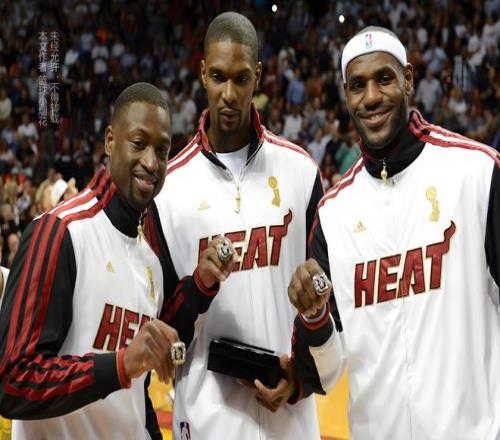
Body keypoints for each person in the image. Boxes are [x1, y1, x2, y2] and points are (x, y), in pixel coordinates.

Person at [287, 26, 500, 439]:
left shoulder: (476, 173)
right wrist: (314, 316)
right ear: (346, 96)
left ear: (408, 79)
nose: (371, 97)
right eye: (358, 86)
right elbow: (325, 374)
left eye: (384, 79)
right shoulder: (333, 214)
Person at [0, 82, 232, 439]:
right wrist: (120, 366)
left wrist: (200, 285)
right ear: (110, 140)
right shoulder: (60, 232)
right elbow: (13, 380)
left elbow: (137, 390)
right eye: (138, 143)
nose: (151, 162)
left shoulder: (150, 254)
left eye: (162, 150)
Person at [148, 12, 324, 440]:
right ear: (202, 73)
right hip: (205, 421)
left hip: (290, 422)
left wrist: (300, 378)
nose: (229, 94)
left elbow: (326, 300)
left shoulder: (301, 172)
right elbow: (163, 326)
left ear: (258, 76)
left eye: (241, 79)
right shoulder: (168, 189)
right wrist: (200, 286)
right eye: (218, 77)